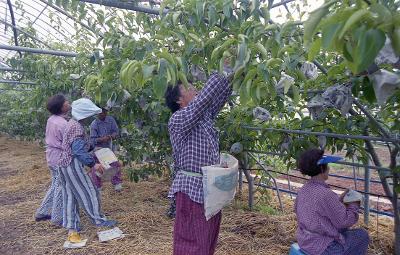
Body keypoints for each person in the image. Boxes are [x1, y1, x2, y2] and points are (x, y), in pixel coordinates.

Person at [165, 71, 232, 255]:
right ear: (179, 99)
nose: (195, 89)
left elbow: (219, 96)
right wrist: (222, 71)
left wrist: (234, 74)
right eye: (188, 87)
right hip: (192, 189)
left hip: (209, 186)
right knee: (192, 239)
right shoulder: (178, 119)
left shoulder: (203, 116)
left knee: (208, 235)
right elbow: (202, 101)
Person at [58, 98, 117, 243]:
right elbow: (77, 150)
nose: (91, 117)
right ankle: (99, 220)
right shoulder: (77, 127)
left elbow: (80, 145)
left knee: (71, 196)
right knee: (89, 191)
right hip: (73, 165)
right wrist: (93, 164)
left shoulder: (72, 123)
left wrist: (92, 148)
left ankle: (72, 225)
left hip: (64, 165)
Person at [295, 148, 369, 255]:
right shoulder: (326, 194)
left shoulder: (304, 189)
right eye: (327, 166)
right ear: (321, 168)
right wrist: (354, 204)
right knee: (362, 235)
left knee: (342, 231)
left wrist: (339, 200)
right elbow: (344, 222)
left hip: (305, 241)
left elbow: (316, 209)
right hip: (323, 247)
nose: (329, 168)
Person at [35, 94, 70, 225]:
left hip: (51, 156)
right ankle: (57, 217)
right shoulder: (63, 124)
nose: (68, 103)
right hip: (59, 158)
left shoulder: (52, 119)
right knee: (61, 187)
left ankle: (43, 212)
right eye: (66, 102)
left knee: (55, 184)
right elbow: (67, 143)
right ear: (61, 107)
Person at [89, 107, 123, 191]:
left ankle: (116, 183)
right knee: (98, 167)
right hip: (98, 149)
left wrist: (112, 136)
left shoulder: (111, 120)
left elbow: (116, 131)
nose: (103, 114)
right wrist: (102, 139)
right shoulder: (94, 124)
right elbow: (93, 140)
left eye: (104, 112)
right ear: (97, 114)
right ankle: (97, 186)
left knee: (115, 164)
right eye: (101, 113)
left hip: (109, 147)